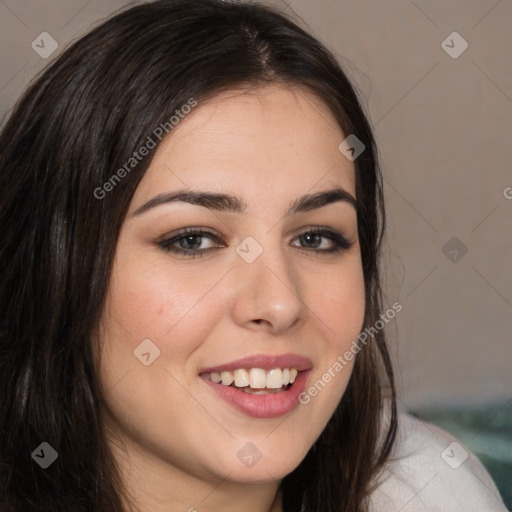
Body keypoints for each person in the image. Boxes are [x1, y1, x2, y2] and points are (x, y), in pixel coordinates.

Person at [0, 1, 507, 511]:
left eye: (315, 238)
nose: (281, 303)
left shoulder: (432, 492)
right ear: (53, 270)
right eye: (193, 239)